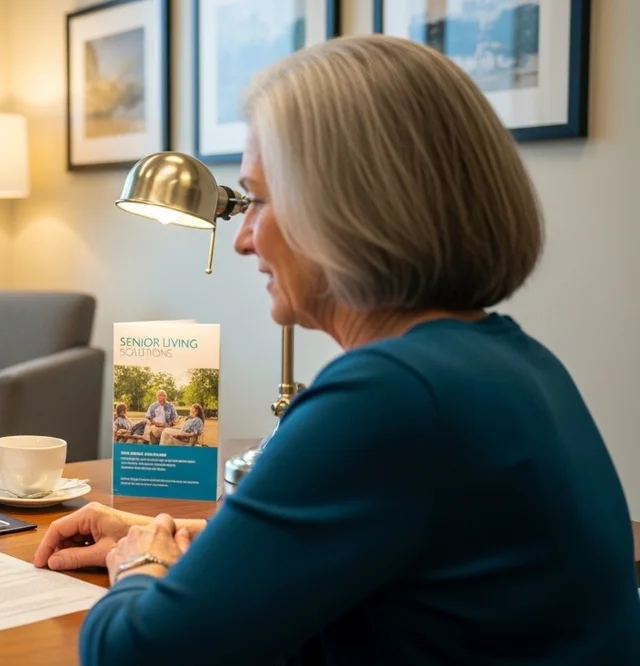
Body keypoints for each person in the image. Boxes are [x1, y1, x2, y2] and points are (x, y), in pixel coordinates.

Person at [33, 34, 640, 664]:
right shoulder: (520, 364)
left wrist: (140, 566)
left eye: (260, 200)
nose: (243, 241)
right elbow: (398, 553)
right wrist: (195, 540)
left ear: (347, 210)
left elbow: (135, 654)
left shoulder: (390, 394)